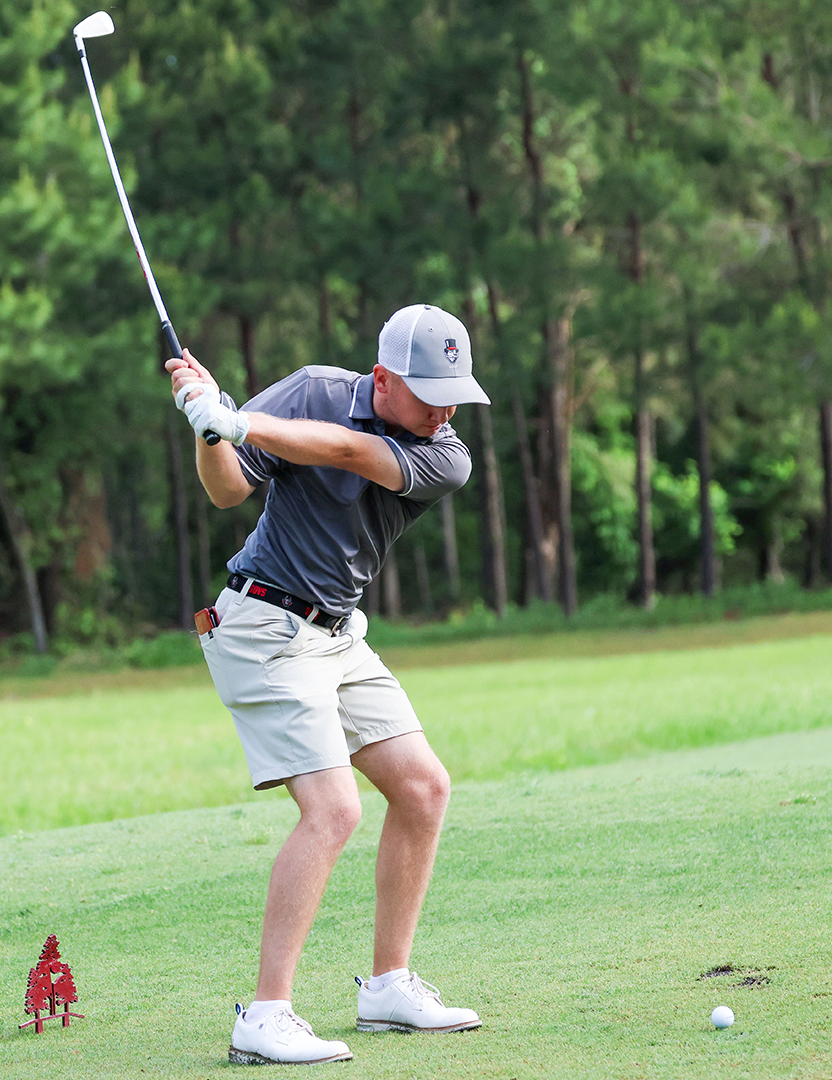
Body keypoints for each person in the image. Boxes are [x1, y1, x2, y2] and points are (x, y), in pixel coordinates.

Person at [167, 304, 491, 1066]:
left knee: (422, 787)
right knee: (333, 809)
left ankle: (386, 986)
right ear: (381, 378)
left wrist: (240, 420)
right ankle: (266, 1014)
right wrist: (210, 430)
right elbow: (225, 492)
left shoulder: (446, 456)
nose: (445, 410)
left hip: (338, 634)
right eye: (430, 390)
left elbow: (350, 452)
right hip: (261, 630)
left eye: (455, 393)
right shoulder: (310, 389)